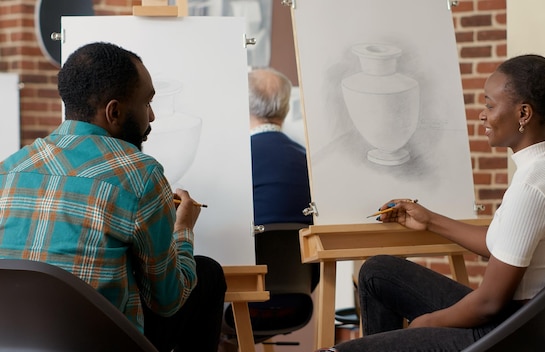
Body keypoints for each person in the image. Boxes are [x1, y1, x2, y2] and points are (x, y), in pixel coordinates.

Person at [316, 54, 545, 352]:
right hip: (527, 325)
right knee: (377, 272)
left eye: (490, 105)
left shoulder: (533, 186)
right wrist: (430, 220)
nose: (482, 115)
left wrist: (429, 322)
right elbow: (502, 246)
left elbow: (489, 303)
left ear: (523, 113)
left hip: (505, 334)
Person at [0, 42, 226, 352]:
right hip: (100, 342)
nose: (153, 116)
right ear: (115, 112)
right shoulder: (141, 174)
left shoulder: (8, 170)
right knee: (208, 273)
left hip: (15, 342)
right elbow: (167, 300)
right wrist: (183, 228)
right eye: (147, 102)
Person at [248, 67, 313, 226]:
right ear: (286, 108)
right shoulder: (307, 159)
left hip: (251, 247)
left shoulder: (240, 158)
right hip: (305, 248)